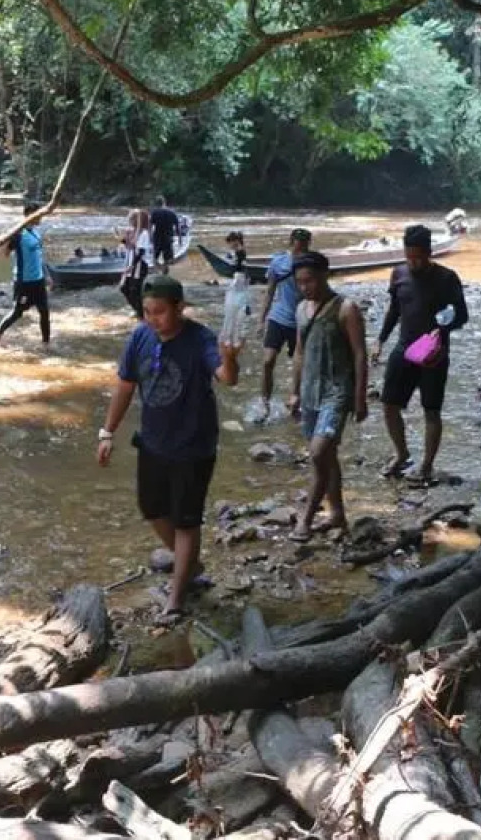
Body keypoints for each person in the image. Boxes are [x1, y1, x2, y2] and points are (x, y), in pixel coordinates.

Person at [97, 276, 239, 625]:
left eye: (159, 312)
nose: (152, 319)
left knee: (187, 520)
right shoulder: (140, 336)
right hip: (153, 441)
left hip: (193, 445)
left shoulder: (200, 338)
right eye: (146, 312)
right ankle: (189, 565)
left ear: (179, 307)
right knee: (151, 508)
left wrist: (230, 356)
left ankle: (176, 598)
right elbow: (125, 385)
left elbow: (227, 378)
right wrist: (107, 432)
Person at [373, 224, 469, 485]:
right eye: (409, 257)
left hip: (434, 353)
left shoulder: (447, 278)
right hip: (404, 348)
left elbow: (462, 315)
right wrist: (380, 340)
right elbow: (394, 310)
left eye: (418, 257)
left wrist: (445, 328)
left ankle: (426, 464)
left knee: (431, 410)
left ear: (429, 253)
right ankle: (401, 453)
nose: (413, 262)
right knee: (389, 404)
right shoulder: (399, 274)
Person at [285, 253, 368, 542]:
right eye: (300, 282)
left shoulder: (346, 309)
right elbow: (298, 352)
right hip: (310, 392)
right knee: (328, 457)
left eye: (310, 280)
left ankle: (306, 519)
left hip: (337, 392)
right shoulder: (300, 309)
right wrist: (294, 391)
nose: (305, 287)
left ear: (325, 275)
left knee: (318, 452)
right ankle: (338, 515)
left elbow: (359, 355)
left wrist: (360, 398)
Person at [250, 228, 311, 423]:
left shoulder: (311, 264)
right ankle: (265, 405)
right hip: (278, 318)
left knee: (300, 365)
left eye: (305, 243)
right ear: (292, 241)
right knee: (268, 361)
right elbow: (269, 292)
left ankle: (296, 402)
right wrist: (261, 320)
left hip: (301, 321)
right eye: (298, 242)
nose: (301, 246)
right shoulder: (278, 262)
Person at [0, 203, 51, 346]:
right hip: (24, 282)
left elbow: (38, 257)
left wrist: (47, 275)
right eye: (37, 214)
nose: (40, 216)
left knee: (44, 312)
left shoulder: (35, 232)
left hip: (38, 280)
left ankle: (46, 343)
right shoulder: (18, 235)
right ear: (28, 215)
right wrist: (4, 240)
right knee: (17, 313)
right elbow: (5, 255)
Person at [116, 209, 151, 319]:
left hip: (139, 265)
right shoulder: (133, 232)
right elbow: (129, 245)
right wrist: (120, 238)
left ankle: (142, 313)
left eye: (131, 218)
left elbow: (141, 252)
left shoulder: (144, 233)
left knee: (136, 289)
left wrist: (132, 266)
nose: (129, 220)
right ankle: (138, 309)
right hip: (131, 262)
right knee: (124, 287)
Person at [149, 197, 181, 271]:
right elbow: (177, 226)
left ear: (156, 204)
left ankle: (156, 270)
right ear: (164, 202)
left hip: (157, 237)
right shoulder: (171, 212)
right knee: (167, 258)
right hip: (168, 237)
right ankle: (165, 271)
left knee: (155, 256)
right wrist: (179, 239)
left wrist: (150, 237)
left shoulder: (154, 212)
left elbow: (150, 226)